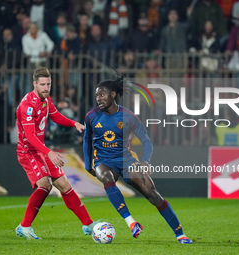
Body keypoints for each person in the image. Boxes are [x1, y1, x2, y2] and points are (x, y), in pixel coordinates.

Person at [83, 73, 193, 244]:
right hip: (103, 161)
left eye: (102, 94)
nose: (98, 98)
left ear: (113, 94)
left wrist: (145, 161)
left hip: (127, 160)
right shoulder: (91, 116)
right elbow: (86, 140)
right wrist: (86, 162)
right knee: (106, 177)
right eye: (97, 95)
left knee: (152, 193)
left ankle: (180, 234)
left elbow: (146, 141)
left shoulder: (128, 116)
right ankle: (132, 223)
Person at [15, 66, 97, 240]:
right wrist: (49, 153)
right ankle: (24, 226)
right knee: (45, 184)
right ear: (34, 84)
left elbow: (56, 116)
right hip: (28, 152)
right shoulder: (27, 106)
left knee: (64, 185)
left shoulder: (45, 100)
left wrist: (74, 123)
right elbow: (29, 137)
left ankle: (88, 224)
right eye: (43, 84)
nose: (46, 88)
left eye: (48, 84)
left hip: (41, 150)